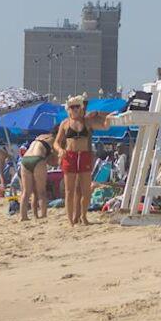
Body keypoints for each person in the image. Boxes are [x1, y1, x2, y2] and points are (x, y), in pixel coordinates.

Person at [53, 96, 115, 225]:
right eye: (72, 107)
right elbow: (56, 142)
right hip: (70, 155)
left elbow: (105, 126)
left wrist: (105, 117)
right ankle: (71, 220)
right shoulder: (65, 123)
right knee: (69, 191)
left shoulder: (87, 121)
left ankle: (83, 216)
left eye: (77, 106)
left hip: (84, 155)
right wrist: (60, 150)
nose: (75, 109)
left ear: (81, 108)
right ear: (68, 109)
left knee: (86, 190)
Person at [18, 133, 53, 223]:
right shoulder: (53, 139)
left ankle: (23, 216)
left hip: (25, 159)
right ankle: (43, 215)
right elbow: (53, 160)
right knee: (41, 191)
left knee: (26, 192)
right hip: (38, 158)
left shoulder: (40, 136)